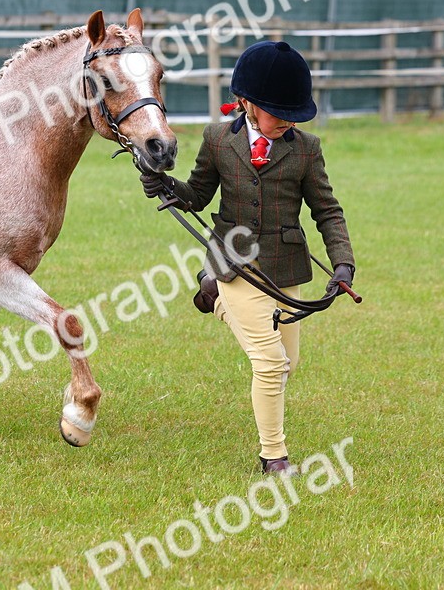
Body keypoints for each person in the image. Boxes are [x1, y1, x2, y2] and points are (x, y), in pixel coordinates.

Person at [141, 40, 355, 474]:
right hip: (233, 261)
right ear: (248, 104)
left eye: (294, 114)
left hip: (284, 265)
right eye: (279, 113)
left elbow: (327, 210)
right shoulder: (218, 139)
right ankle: (274, 456)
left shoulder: (307, 148)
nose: (289, 122)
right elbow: (198, 194)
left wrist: (343, 264)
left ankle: (215, 298)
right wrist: (165, 185)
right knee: (271, 364)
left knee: (289, 364)